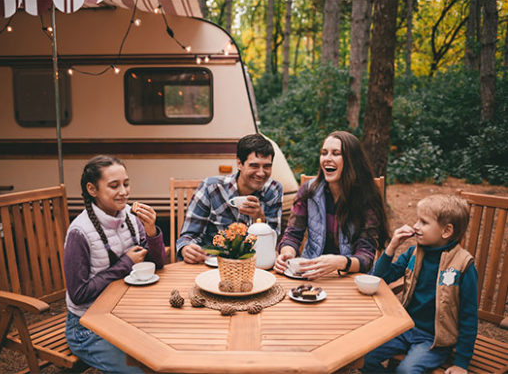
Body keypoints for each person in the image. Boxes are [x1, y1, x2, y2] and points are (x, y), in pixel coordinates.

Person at [64, 155, 166, 373]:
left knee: (168, 357)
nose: (124, 191)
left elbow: (156, 266)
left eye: (126, 184)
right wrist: (125, 263)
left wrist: (151, 232)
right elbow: (78, 294)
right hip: (87, 327)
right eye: (114, 185)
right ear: (92, 189)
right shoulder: (79, 232)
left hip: (127, 316)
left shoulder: (130, 215)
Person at [363, 194, 478, 374]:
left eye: (423, 222)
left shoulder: (463, 265)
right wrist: (391, 247)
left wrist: (461, 363)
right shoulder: (413, 253)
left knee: (406, 371)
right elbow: (381, 278)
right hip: (404, 328)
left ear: (446, 231)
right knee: (364, 357)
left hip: (434, 340)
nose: (416, 226)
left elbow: (468, 315)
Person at [274, 130, 389, 278]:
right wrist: (287, 253)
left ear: (352, 160)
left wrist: (339, 262)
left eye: (336, 153)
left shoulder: (367, 196)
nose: (327, 159)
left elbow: (366, 258)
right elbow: (292, 235)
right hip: (310, 273)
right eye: (324, 153)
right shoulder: (308, 191)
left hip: (351, 276)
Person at [177, 133, 283, 263]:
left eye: (267, 166)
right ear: (239, 163)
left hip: (253, 266)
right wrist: (187, 248)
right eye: (254, 166)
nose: (261, 173)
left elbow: (273, 243)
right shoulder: (211, 188)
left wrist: (259, 218)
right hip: (212, 264)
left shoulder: (273, 190)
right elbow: (188, 236)